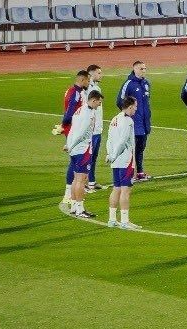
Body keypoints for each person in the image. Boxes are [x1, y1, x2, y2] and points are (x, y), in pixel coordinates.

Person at [61, 91, 103, 218]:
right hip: (82, 150)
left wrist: (69, 144)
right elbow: (80, 133)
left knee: (75, 179)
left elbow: (73, 129)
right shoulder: (88, 113)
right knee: (81, 180)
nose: (100, 105)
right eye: (99, 102)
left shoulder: (79, 110)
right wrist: (71, 146)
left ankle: (74, 206)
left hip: (75, 150)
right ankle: (80, 209)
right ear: (94, 100)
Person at [106, 96, 140, 229]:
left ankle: (112, 219)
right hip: (125, 160)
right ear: (130, 106)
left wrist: (110, 154)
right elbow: (123, 141)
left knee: (116, 188)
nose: (136, 109)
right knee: (126, 191)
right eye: (135, 106)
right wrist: (114, 155)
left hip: (115, 161)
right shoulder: (128, 121)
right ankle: (125, 221)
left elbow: (109, 139)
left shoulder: (114, 119)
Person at [55, 69, 91, 198]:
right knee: (75, 161)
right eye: (88, 80)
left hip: (71, 129)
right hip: (74, 130)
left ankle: (71, 192)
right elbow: (69, 112)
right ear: (82, 80)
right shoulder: (76, 93)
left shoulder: (70, 90)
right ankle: (68, 193)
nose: (89, 82)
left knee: (74, 160)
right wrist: (63, 125)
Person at [118, 61, 152, 180]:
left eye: (145, 68)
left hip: (144, 122)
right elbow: (120, 101)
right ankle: (129, 173)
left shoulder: (146, 83)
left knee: (141, 148)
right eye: (141, 68)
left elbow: (146, 103)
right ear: (135, 69)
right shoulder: (128, 84)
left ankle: (140, 172)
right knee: (131, 149)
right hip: (133, 123)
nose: (143, 70)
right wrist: (127, 116)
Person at [83, 65, 104, 192]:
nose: (101, 75)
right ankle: (84, 183)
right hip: (91, 130)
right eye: (99, 73)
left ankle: (91, 181)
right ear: (91, 74)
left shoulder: (96, 88)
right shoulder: (87, 90)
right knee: (88, 157)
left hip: (98, 129)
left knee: (94, 157)